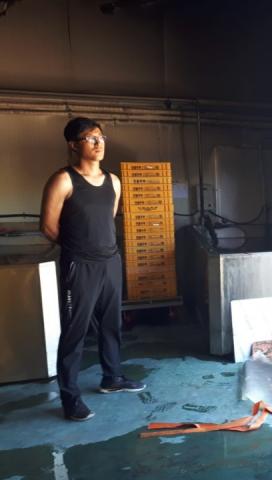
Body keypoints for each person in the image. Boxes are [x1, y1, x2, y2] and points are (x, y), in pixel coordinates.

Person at [40, 117, 145, 421]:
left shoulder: (113, 181)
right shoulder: (63, 180)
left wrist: (101, 250)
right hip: (79, 265)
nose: (99, 143)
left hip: (110, 262)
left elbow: (107, 219)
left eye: (101, 137)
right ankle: (70, 398)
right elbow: (48, 226)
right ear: (73, 145)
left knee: (111, 324)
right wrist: (79, 249)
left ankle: (112, 377)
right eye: (90, 138)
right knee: (75, 331)